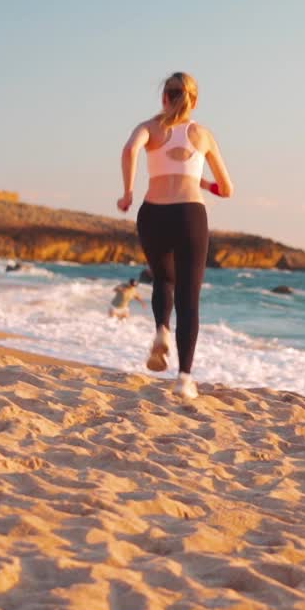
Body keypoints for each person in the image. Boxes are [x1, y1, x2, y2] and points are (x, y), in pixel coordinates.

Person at [117, 72, 234, 398]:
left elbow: (129, 151)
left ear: (164, 98)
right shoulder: (202, 134)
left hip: (152, 214)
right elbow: (226, 189)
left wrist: (127, 193)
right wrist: (201, 182)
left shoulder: (149, 128)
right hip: (189, 215)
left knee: (163, 280)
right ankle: (184, 378)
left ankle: (161, 331)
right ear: (194, 101)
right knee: (189, 296)